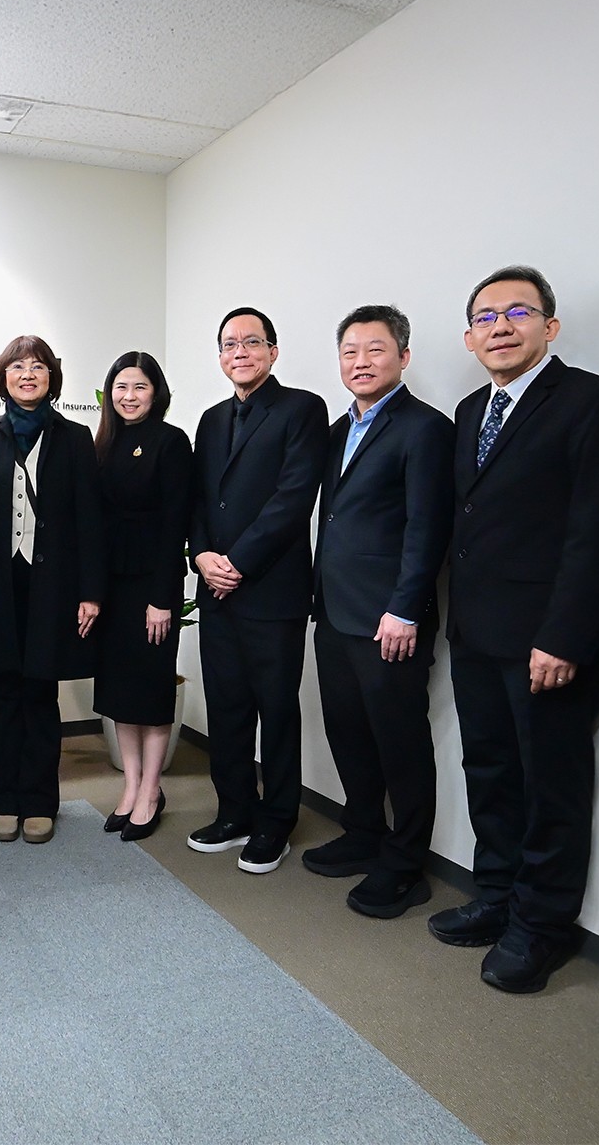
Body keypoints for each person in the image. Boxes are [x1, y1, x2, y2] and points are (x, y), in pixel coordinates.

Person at [432, 265, 599, 993]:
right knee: (489, 770)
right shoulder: (469, 411)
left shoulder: (595, 402)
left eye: (517, 312)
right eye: (485, 317)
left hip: (548, 640)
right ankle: (495, 894)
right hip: (475, 630)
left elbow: (595, 530)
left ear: (550, 326)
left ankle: (541, 926)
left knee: (551, 784)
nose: (501, 327)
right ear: (469, 338)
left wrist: (566, 635)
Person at [303, 306, 453, 918]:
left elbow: (427, 527)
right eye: (350, 352)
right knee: (348, 731)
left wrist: (406, 608)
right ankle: (363, 831)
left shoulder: (426, 428)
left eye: (375, 350)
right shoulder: (337, 430)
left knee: (401, 742)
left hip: (390, 620)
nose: (360, 362)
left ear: (403, 357)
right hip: (335, 611)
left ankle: (405, 863)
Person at [187, 307, 326, 874]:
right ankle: (234, 812)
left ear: (273, 351)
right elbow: (199, 500)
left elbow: (293, 499)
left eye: (251, 342)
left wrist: (237, 562)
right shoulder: (211, 419)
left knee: (277, 710)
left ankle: (276, 822)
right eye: (229, 344)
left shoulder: (301, 409)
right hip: (216, 589)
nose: (239, 352)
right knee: (227, 708)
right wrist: (201, 556)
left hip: (271, 591)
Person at [0, 336, 103, 844]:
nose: (27, 374)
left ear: (50, 378)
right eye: (17, 366)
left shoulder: (75, 437)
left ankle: (40, 802)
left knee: (41, 694)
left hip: (53, 587)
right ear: (4, 377)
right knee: (2, 696)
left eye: (37, 367)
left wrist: (90, 592)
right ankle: (3, 800)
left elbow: (90, 520)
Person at [92, 352, 191, 842]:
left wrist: (163, 598)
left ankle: (152, 789)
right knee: (120, 693)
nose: (128, 396)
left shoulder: (171, 441)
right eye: (121, 387)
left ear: (156, 392)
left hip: (151, 587)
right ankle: (130, 786)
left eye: (139, 387)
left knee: (150, 692)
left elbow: (176, 525)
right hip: (110, 588)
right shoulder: (103, 443)